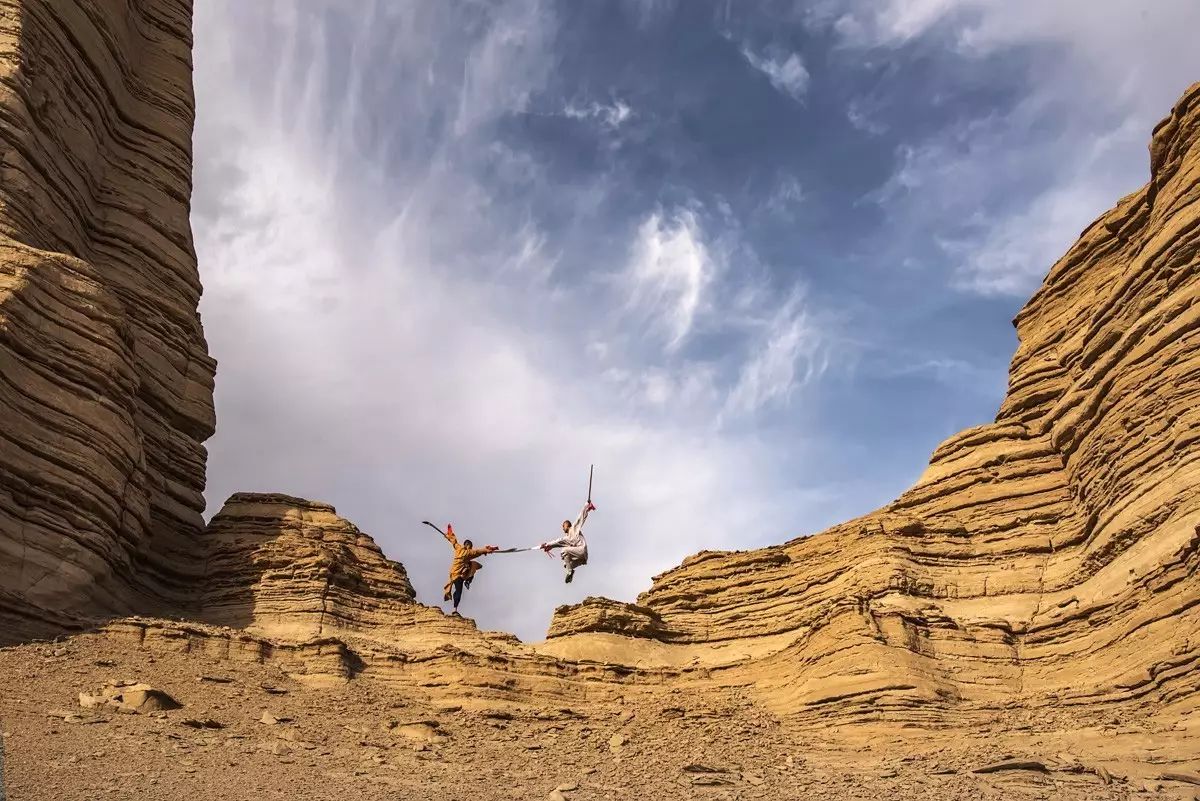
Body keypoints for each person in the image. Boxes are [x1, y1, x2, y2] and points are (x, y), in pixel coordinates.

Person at [440, 523, 498, 615]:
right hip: (458, 576)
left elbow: (453, 541)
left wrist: (449, 534)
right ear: (468, 546)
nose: (471, 548)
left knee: (473, 564)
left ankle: (467, 581)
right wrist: (488, 549)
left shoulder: (458, 548)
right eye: (470, 547)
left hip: (454, 573)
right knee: (459, 591)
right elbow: (477, 552)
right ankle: (455, 609)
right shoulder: (467, 553)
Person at [540, 500, 596, 583]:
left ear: (567, 525)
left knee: (564, 551)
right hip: (582, 558)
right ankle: (570, 571)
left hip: (582, 550)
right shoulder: (567, 538)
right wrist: (548, 545)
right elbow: (558, 542)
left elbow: (580, 518)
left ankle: (570, 572)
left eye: (563, 526)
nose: (562, 528)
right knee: (566, 564)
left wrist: (586, 506)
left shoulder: (574, 528)